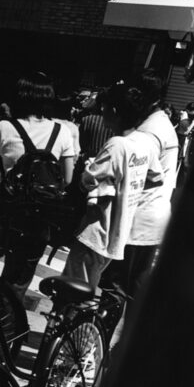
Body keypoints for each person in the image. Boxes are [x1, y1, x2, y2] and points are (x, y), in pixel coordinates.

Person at [0, 72, 78, 301]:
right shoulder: (62, 132)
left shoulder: (4, 128)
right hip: (38, 220)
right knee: (16, 285)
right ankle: (2, 323)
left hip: (3, 213)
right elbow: (68, 178)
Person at [62, 81, 164, 294]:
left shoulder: (117, 144)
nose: (102, 111)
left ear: (115, 111)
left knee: (74, 291)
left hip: (96, 230)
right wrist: (128, 185)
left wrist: (90, 166)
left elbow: (86, 182)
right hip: (118, 233)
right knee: (89, 286)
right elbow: (156, 178)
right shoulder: (145, 142)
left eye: (105, 107)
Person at [108, 70, 179, 297]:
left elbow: (143, 174)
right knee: (132, 286)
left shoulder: (151, 131)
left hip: (141, 216)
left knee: (119, 288)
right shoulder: (159, 122)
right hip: (152, 215)